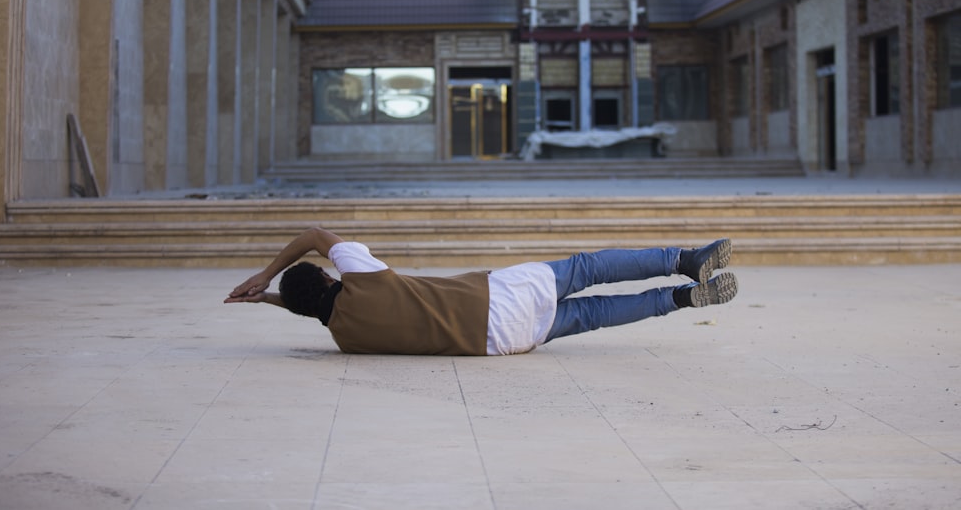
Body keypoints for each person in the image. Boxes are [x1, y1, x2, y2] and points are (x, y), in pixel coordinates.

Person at [225, 227, 737, 356]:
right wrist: (265, 276)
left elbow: (317, 311)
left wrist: (273, 300)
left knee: (593, 313)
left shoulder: (344, 336)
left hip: (500, 342)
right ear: (328, 277)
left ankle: (680, 299)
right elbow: (315, 236)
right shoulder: (363, 276)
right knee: (589, 268)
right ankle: (685, 261)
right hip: (498, 297)